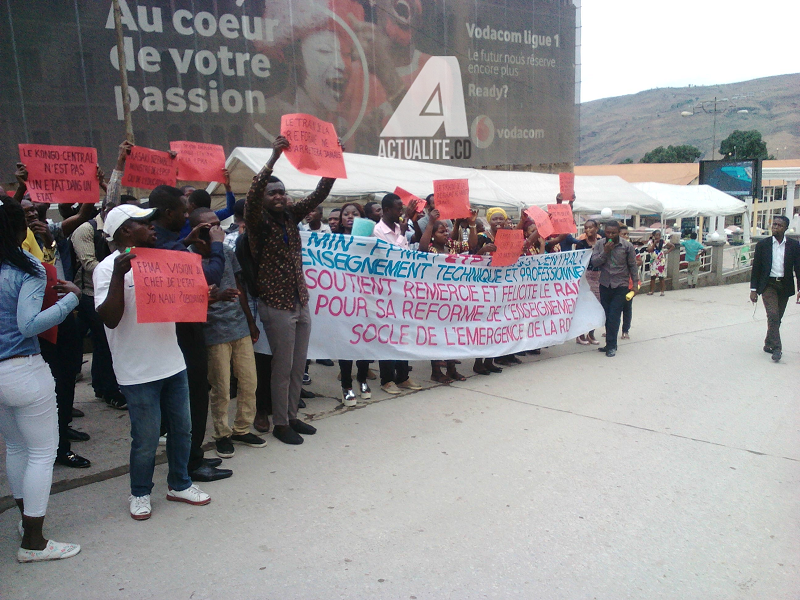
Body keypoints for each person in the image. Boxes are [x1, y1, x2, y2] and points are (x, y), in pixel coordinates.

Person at [94, 204, 213, 520]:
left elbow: (183, 301)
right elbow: (109, 318)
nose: (153, 226)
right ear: (126, 232)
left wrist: (204, 290)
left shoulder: (162, 261)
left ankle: (179, 484)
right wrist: (121, 274)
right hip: (137, 371)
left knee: (182, 430)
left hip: (172, 363)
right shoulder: (106, 269)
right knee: (146, 439)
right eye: (145, 222)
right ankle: (140, 493)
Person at [0, 196, 82, 562]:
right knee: (41, 453)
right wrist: (71, 301)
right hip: (23, 369)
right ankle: (34, 542)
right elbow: (29, 324)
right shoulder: (26, 268)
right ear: (17, 229)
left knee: (17, 449)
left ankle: (25, 523)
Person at [246, 135, 338, 445]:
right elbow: (254, 192)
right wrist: (273, 158)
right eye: (273, 193)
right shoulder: (258, 224)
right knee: (282, 367)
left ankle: (293, 416)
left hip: (300, 301)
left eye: (283, 192)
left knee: (299, 364)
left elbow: (319, 193)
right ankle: (280, 423)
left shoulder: (289, 217)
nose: (279, 196)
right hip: (276, 305)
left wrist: (333, 159)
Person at [150, 185, 232, 482]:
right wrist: (218, 245)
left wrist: (186, 242)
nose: (187, 215)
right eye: (184, 212)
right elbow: (204, 276)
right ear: (169, 213)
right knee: (193, 396)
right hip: (182, 331)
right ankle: (190, 463)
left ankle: (191, 454)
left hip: (181, 326)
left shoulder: (168, 240)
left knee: (191, 396)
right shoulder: (163, 244)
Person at [189, 208, 267, 458]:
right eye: (206, 227)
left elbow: (238, 286)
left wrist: (250, 321)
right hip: (213, 330)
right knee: (221, 387)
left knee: (248, 381)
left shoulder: (225, 250)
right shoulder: (187, 258)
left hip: (239, 326)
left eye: (216, 225)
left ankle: (242, 428)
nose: (214, 231)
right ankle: (222, 433)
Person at [372, 193, 423, 394]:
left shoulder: (399, 228)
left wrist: (406, 227)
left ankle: (402, 376)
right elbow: (392, 256)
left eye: (402, 209)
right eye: (397, 209)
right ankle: (387, 379)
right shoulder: (378, 231)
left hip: (402, 290)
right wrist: (403, 229)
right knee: (388, 334)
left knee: (403, 333)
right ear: (385, 210)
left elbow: (409, 254)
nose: (401, 212)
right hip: (385, 291)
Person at [418, 211, 467, 383]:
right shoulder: (430, 249)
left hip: (452, 298)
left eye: (447, 230)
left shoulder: (452, 246)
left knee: (451, 334)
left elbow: (472, 245)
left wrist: (472, 226)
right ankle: (436, 371)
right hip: (435, 299)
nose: (446, 234)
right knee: (436, 334)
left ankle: (452, 368)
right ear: (432, 235)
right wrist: (430, 222)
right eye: (441, 231)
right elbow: (421, 249)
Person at [749, 215, 800, 363]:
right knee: (773, 315)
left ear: (785, 228)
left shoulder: (794, 246)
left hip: (784, 285)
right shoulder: (763, 245)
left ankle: (768, 342)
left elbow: (798, 268)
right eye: (774, 224)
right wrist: (753, 289)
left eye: (779, 225)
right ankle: (777, 348)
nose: (775, 227)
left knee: (777, 318)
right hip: (768, 285)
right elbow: (756, 268)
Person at [590, 221, 640, 358]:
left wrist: (635, 284)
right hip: (605, 284)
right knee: (607, 316)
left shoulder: (627, 246)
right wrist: (605, 252)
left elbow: (633, 266)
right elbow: (594, 262)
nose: (610, 235)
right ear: (604, 232)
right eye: (608, 232)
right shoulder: (600, 245)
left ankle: (611, 346)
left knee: (614, 315)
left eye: (613, 233)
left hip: (621, 285)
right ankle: (609, 344)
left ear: (618, 232)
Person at [473, 207, 510, 374]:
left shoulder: (508, 237)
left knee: (496, 323)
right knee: (484, 324)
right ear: (489, 221)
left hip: (500, 285)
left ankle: (490, 360)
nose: (498, 222)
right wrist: (484, 251)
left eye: (500, 219)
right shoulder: (482, 237)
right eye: (494, 219)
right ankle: (478, 362)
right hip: (484, 286)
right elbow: (472, 255)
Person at [575, 219, 602, 345]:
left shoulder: (602, 243)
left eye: (591, 227)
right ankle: (580, 334)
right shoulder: (581, 244)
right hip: (586, 276)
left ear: (597, 228)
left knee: (596, 306)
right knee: (585, 305)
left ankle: (591, 333)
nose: (588, 230)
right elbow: (578, 260)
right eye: (586, 228)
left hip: (599, 277)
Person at [619, 224, 642, 340]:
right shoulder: (611, 247)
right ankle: (611, 329)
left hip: (629, 282)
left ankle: (625, 330)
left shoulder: (632, 248)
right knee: (613, 308)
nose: (626, 236)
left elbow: (639, 261)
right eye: (623, 234)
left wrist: (630, 263)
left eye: (627, 234)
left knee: (627, 307)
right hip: (615, 282)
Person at [646, 230, 674, 296]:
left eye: (659, 235)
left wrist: (667, 252)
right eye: (656, 235)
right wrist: (654, 244)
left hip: (661, 261)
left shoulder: (663, 242)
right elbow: (650, 250)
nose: (658, 237)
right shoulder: (650, 242)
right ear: (653, 236)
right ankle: (651, 291)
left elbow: (672, 246)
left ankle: (662, 291)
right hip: (653, 261)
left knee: (661, 277)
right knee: (652, 276)